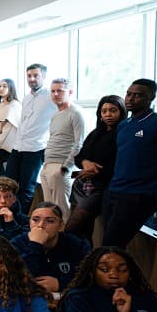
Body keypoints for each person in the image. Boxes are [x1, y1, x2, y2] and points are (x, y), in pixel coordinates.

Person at [101, 79, 157, 249]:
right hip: (114, 191)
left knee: (110, 246)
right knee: (111, 245)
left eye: (138, 95)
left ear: (151, 97)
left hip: (139, 195)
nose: (130, 99)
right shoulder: (124, 125)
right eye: (128, 94)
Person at [64, 94, 126, 242]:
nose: (108, 114)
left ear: (121, 111)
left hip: (100, 188)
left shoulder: (124, 134)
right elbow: (79, 157)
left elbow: (120, 164)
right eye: (104, 111)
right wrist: (85, 163)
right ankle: (84, 262)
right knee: (83, 231)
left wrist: (93, 170)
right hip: (81, 185)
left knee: (71, 227)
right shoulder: (95, 133)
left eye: (113, 110)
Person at [5, 64, 60, 210]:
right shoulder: (26, 98)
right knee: (7, 184)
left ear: (43, 77)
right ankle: (8, 216)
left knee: (26, 189)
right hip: (18, 147)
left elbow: (61, 115)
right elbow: (22, 123)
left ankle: (20, 220)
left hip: (36, 148)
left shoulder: (51, 96)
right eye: (29, 76)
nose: (32, 79)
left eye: (36, 76)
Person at [10, 202, 90, 295]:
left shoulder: (77, 245)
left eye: (50, 221)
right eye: (35, 220)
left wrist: (61, 284)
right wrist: (35, 244)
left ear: (61, 226)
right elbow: (16, 278)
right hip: (28, 298)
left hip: (66, 299)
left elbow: (87, 277)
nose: (40, 225)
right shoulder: (17, 243)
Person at [37, 78, 86, 220]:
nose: (56, 94)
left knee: (62, 211)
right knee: (49, 211)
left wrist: (66, 167)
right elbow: (53, 139)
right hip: (47, 166)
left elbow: (80, 143)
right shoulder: (55, 115)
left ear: (70, 92)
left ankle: (63, 240)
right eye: (53, 91)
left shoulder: (76, 113)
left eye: (60, 91)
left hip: (61, 167)